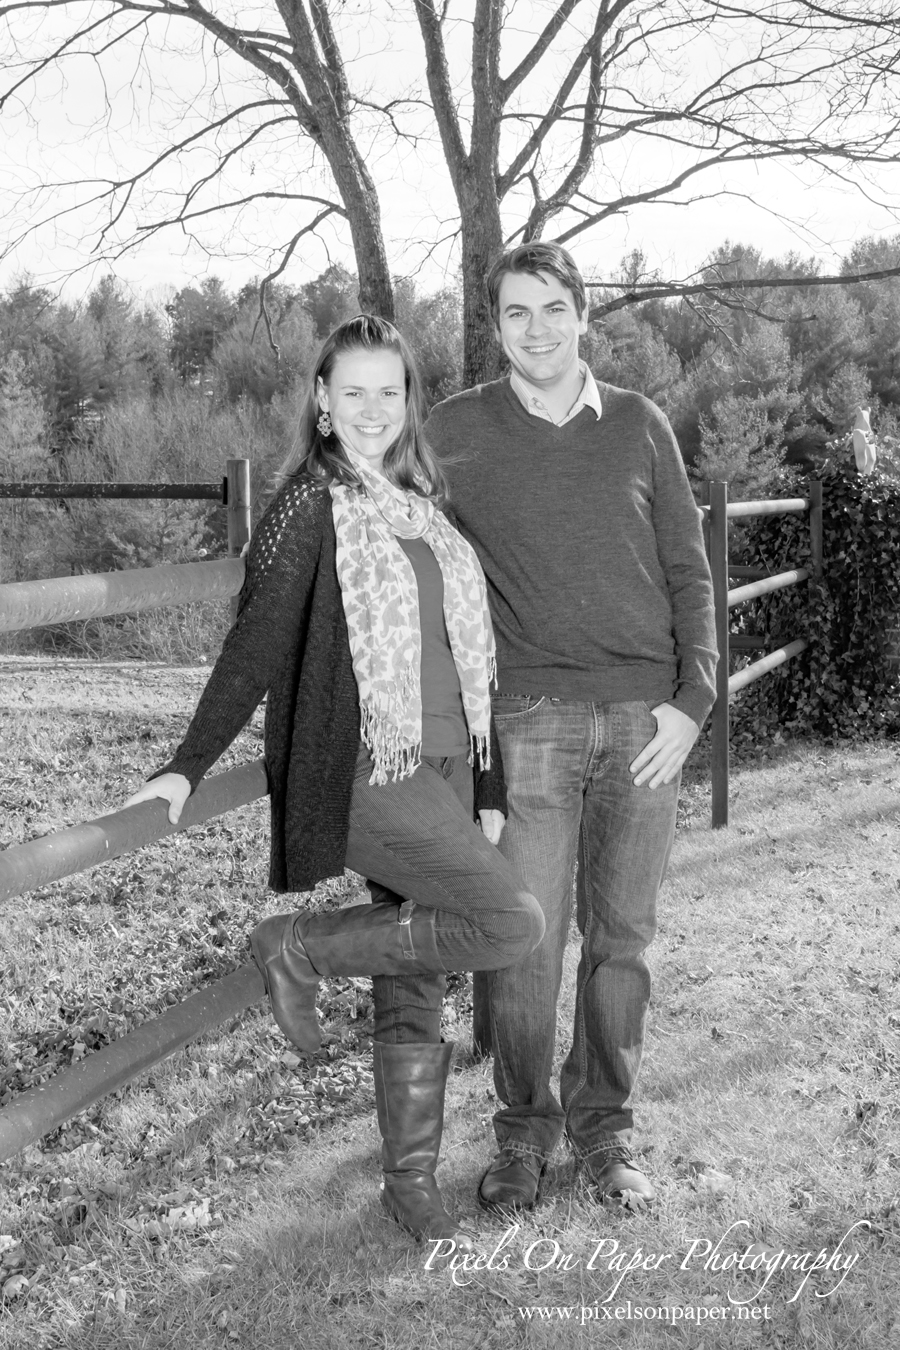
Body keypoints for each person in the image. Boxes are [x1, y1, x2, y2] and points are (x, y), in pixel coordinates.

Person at [126, 314, 544, 1252]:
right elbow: (256, 645)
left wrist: (486, 779)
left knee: (417, 960)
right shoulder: (309, 508)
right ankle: (300, 947)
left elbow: (469, 657)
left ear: (407, 402)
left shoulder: (420, 509)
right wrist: (184, 766)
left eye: (385, 391)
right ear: (320, 400)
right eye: (349, 390)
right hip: (360, 767)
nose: (368, 408)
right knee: (511, 921)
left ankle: (409, 1183)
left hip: (438, 757)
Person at [424, 242, 717, 1212]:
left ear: (584, 316)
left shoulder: (639, 426)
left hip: (647, 721)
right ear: (495, 325)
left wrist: (694, 701)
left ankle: (607, 1132)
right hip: (529, 720)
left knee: (623, 939)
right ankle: (522, 1135)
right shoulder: (455, 432)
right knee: (522, 943)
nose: (537, 330)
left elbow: (690, 571)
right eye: (516, 313)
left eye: (554, 309)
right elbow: (381, 518)